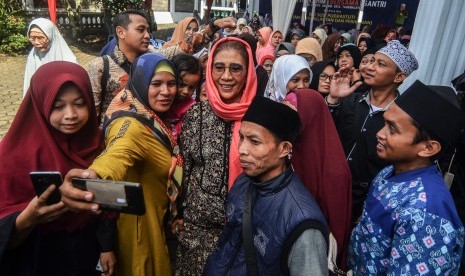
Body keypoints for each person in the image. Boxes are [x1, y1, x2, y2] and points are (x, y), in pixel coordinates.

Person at [60, 53, 182, 276]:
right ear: (141, 82)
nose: (166, 92)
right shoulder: (130, 123)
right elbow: (118, 152)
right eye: (156, 84)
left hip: (154, 223)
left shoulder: (148, 114)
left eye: (171, 84)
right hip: (139, 235)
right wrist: (90, 178)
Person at [0, 61, 107, 275]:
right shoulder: (12, 157)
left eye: (79, 103)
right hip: (36, 258)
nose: (71, 115)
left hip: (87, 255)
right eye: (58, 106)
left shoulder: (97, 146)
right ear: (40, 104)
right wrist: (26, 219)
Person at [348, 80, 465, 274]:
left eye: (392, 129)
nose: (379, 133)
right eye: (384, 123)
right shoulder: (388, 172)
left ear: (428, 148)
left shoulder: (427, 213)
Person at [204, 96, 328, 275]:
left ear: (284, 149)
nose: (242, 150)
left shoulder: (304, 224)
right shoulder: (243, 181)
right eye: (241, 137)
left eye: (255, 142)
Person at [174, 37, 257, 275]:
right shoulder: (196, 116)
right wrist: (178, 213)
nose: (226, 76)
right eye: (219, 67)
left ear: (249, 71)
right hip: (196, 234)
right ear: (209, 71)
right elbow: (185, 171)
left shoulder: (260, 116)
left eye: (236, 68)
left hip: (245, 234)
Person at [326, 40, 419, 224]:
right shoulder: (349, 99)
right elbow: (324, 133)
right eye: (370, 61)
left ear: (399, 76)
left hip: (365, 203)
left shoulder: (402, 119)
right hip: (329, 186)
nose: (369, 67)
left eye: (380, 64)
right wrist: (333, 99)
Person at [283, 89, 352, 273]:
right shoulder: (290, 148)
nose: (287, 119)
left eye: (293, 113)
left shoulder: (335, 171)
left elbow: (336, 227)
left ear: (310, 116)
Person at [87, 10, 152, 123]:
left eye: (148, 31)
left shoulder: (150, 64)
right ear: (120, 32)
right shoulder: (100, 66)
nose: (147, 36)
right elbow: (93, 115)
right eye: (141, 30)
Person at [23, 18, 77, 97]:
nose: (36, 43)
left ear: (51, 36)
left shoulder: (69, 61)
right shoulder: (32, 57)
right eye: (32, 38)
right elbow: (28, 86)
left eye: (40, 38)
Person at [166, 53, 202, 139]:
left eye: (191, 87)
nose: (186, 91)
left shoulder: (192, 108)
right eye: (181, 84)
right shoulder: (162, 98)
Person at [238, 33, 269, 97]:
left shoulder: (261, 73)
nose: (241, 51)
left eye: (245, 47)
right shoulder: (232, 68)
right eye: (238, 47)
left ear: (252, 49)